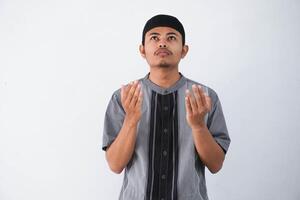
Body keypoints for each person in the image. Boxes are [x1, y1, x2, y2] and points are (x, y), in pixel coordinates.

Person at [102, 14, 231, 200]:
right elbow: (115, 165)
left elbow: (216, 164)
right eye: (154, 38)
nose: (162, 43)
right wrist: (131, 120)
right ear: (142, 50)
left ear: (184, 50)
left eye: (171, 38)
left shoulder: (205, 97)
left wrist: (198, 126)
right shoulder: (123, 97)